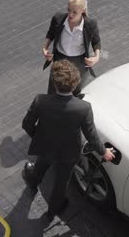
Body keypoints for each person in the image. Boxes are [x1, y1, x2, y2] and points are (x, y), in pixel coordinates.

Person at [22, 60, 114, 220]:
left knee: (40, 166)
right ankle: (53, 209)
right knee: (61, 182)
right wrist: (104, 151)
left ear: (54, 83)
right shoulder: (83, 108)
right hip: (69, 152)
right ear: (75, 83)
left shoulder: (40, 101)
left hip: (45, 146)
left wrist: (38, 136)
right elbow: (92, 136)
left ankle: (33, 182)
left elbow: (27, 124)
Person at [42, 0, 101, 96]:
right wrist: (45, 48)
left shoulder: (90, 24)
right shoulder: (58, 18)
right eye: (68, 10)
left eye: (75, 12)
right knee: (53, 90)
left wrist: (97, 57)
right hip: (60, 60)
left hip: (79, 63)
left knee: (75, 92)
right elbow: (50, 34)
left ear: (83, 10)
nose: (70, 15)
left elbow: (96, 41)